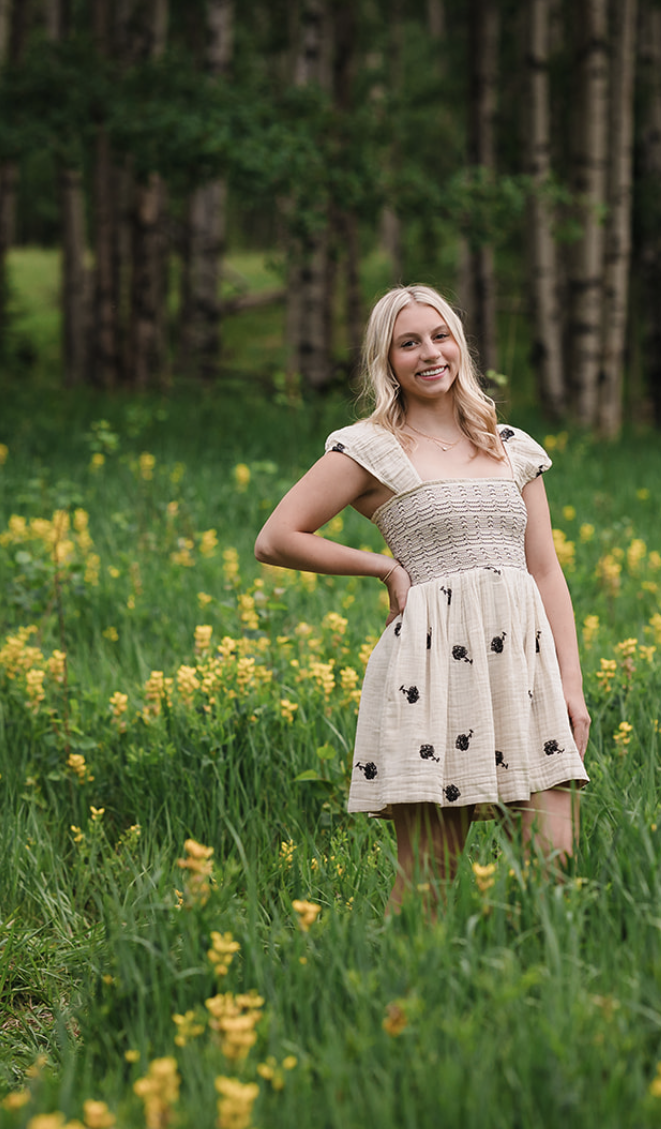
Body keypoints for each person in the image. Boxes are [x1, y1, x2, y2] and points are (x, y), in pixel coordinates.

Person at [255, 284, 590, 916]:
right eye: (408, 343)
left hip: (525, 671)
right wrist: (383, 567)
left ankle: (540, 997)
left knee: (555, 867)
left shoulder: (510, 445)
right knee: (430, 882)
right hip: (434, 671)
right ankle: (403, 998)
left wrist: (571, 686)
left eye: (439, 336)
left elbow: (545, 572)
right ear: (388, 361)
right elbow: (276, 538)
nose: (429, 353)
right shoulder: (371, 447)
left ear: (460, 344)